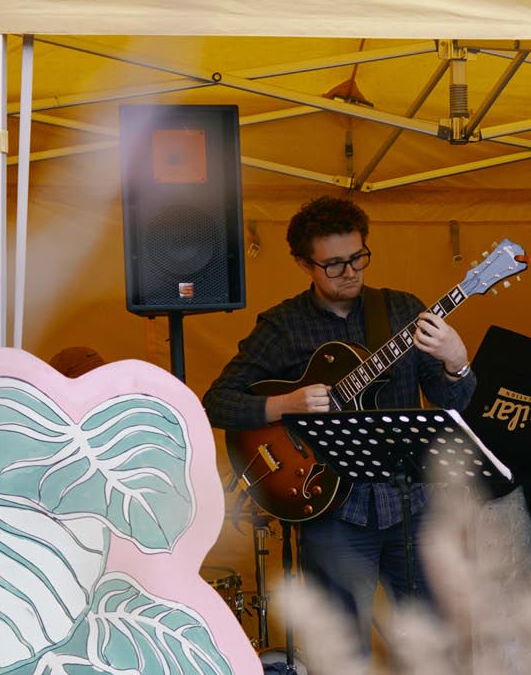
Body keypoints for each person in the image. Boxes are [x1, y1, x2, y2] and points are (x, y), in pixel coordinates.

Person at [203, 195, 477, 647]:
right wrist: (285, 404)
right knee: (344, 652)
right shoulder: (283, 326)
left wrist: (456, 364)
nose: (350, 272)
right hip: (331, 509)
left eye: (357, 258)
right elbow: (217, 401)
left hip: (409, 503)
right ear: (303, 263)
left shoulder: (402, 311)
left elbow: (452, 402)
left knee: (435, 642)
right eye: (333, 265)